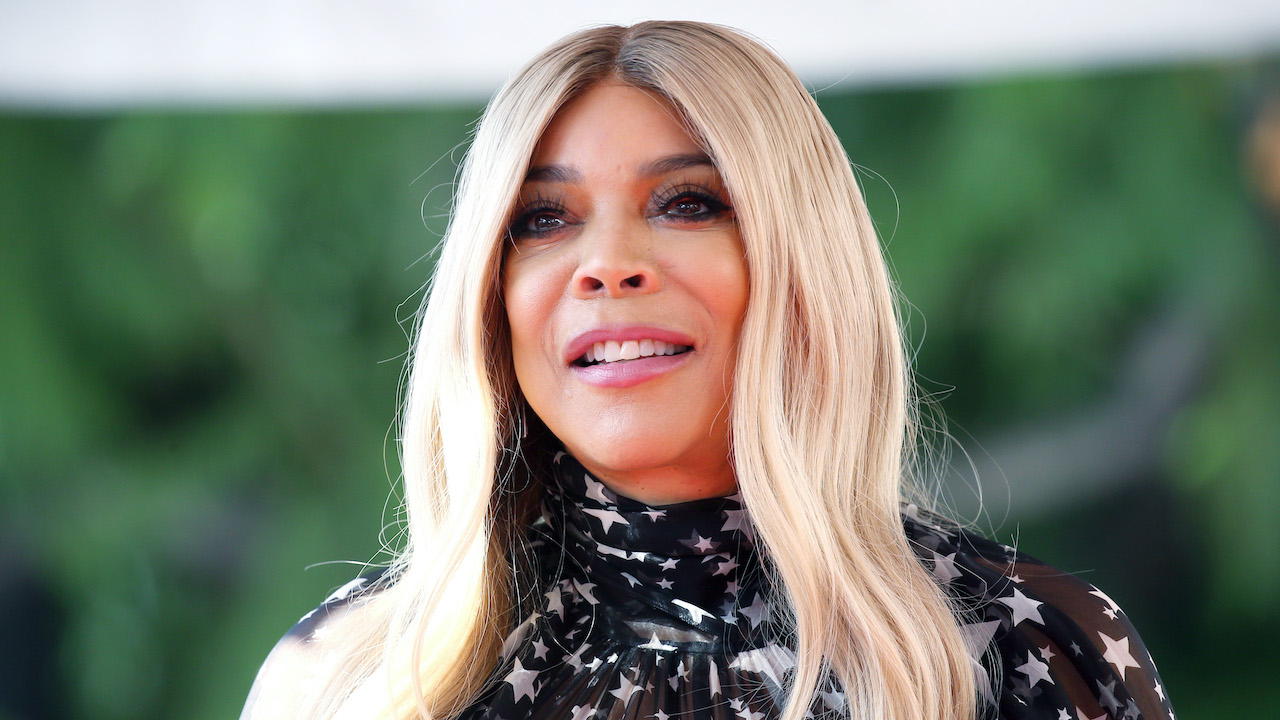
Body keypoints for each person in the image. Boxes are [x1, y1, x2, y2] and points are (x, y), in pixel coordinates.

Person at [240, 21, 1175, 720]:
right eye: (542, 219)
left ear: (803, 263)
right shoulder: (345, 679)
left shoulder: (1026, 652)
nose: (606, 263)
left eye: (686, 202)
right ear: (490, 293)